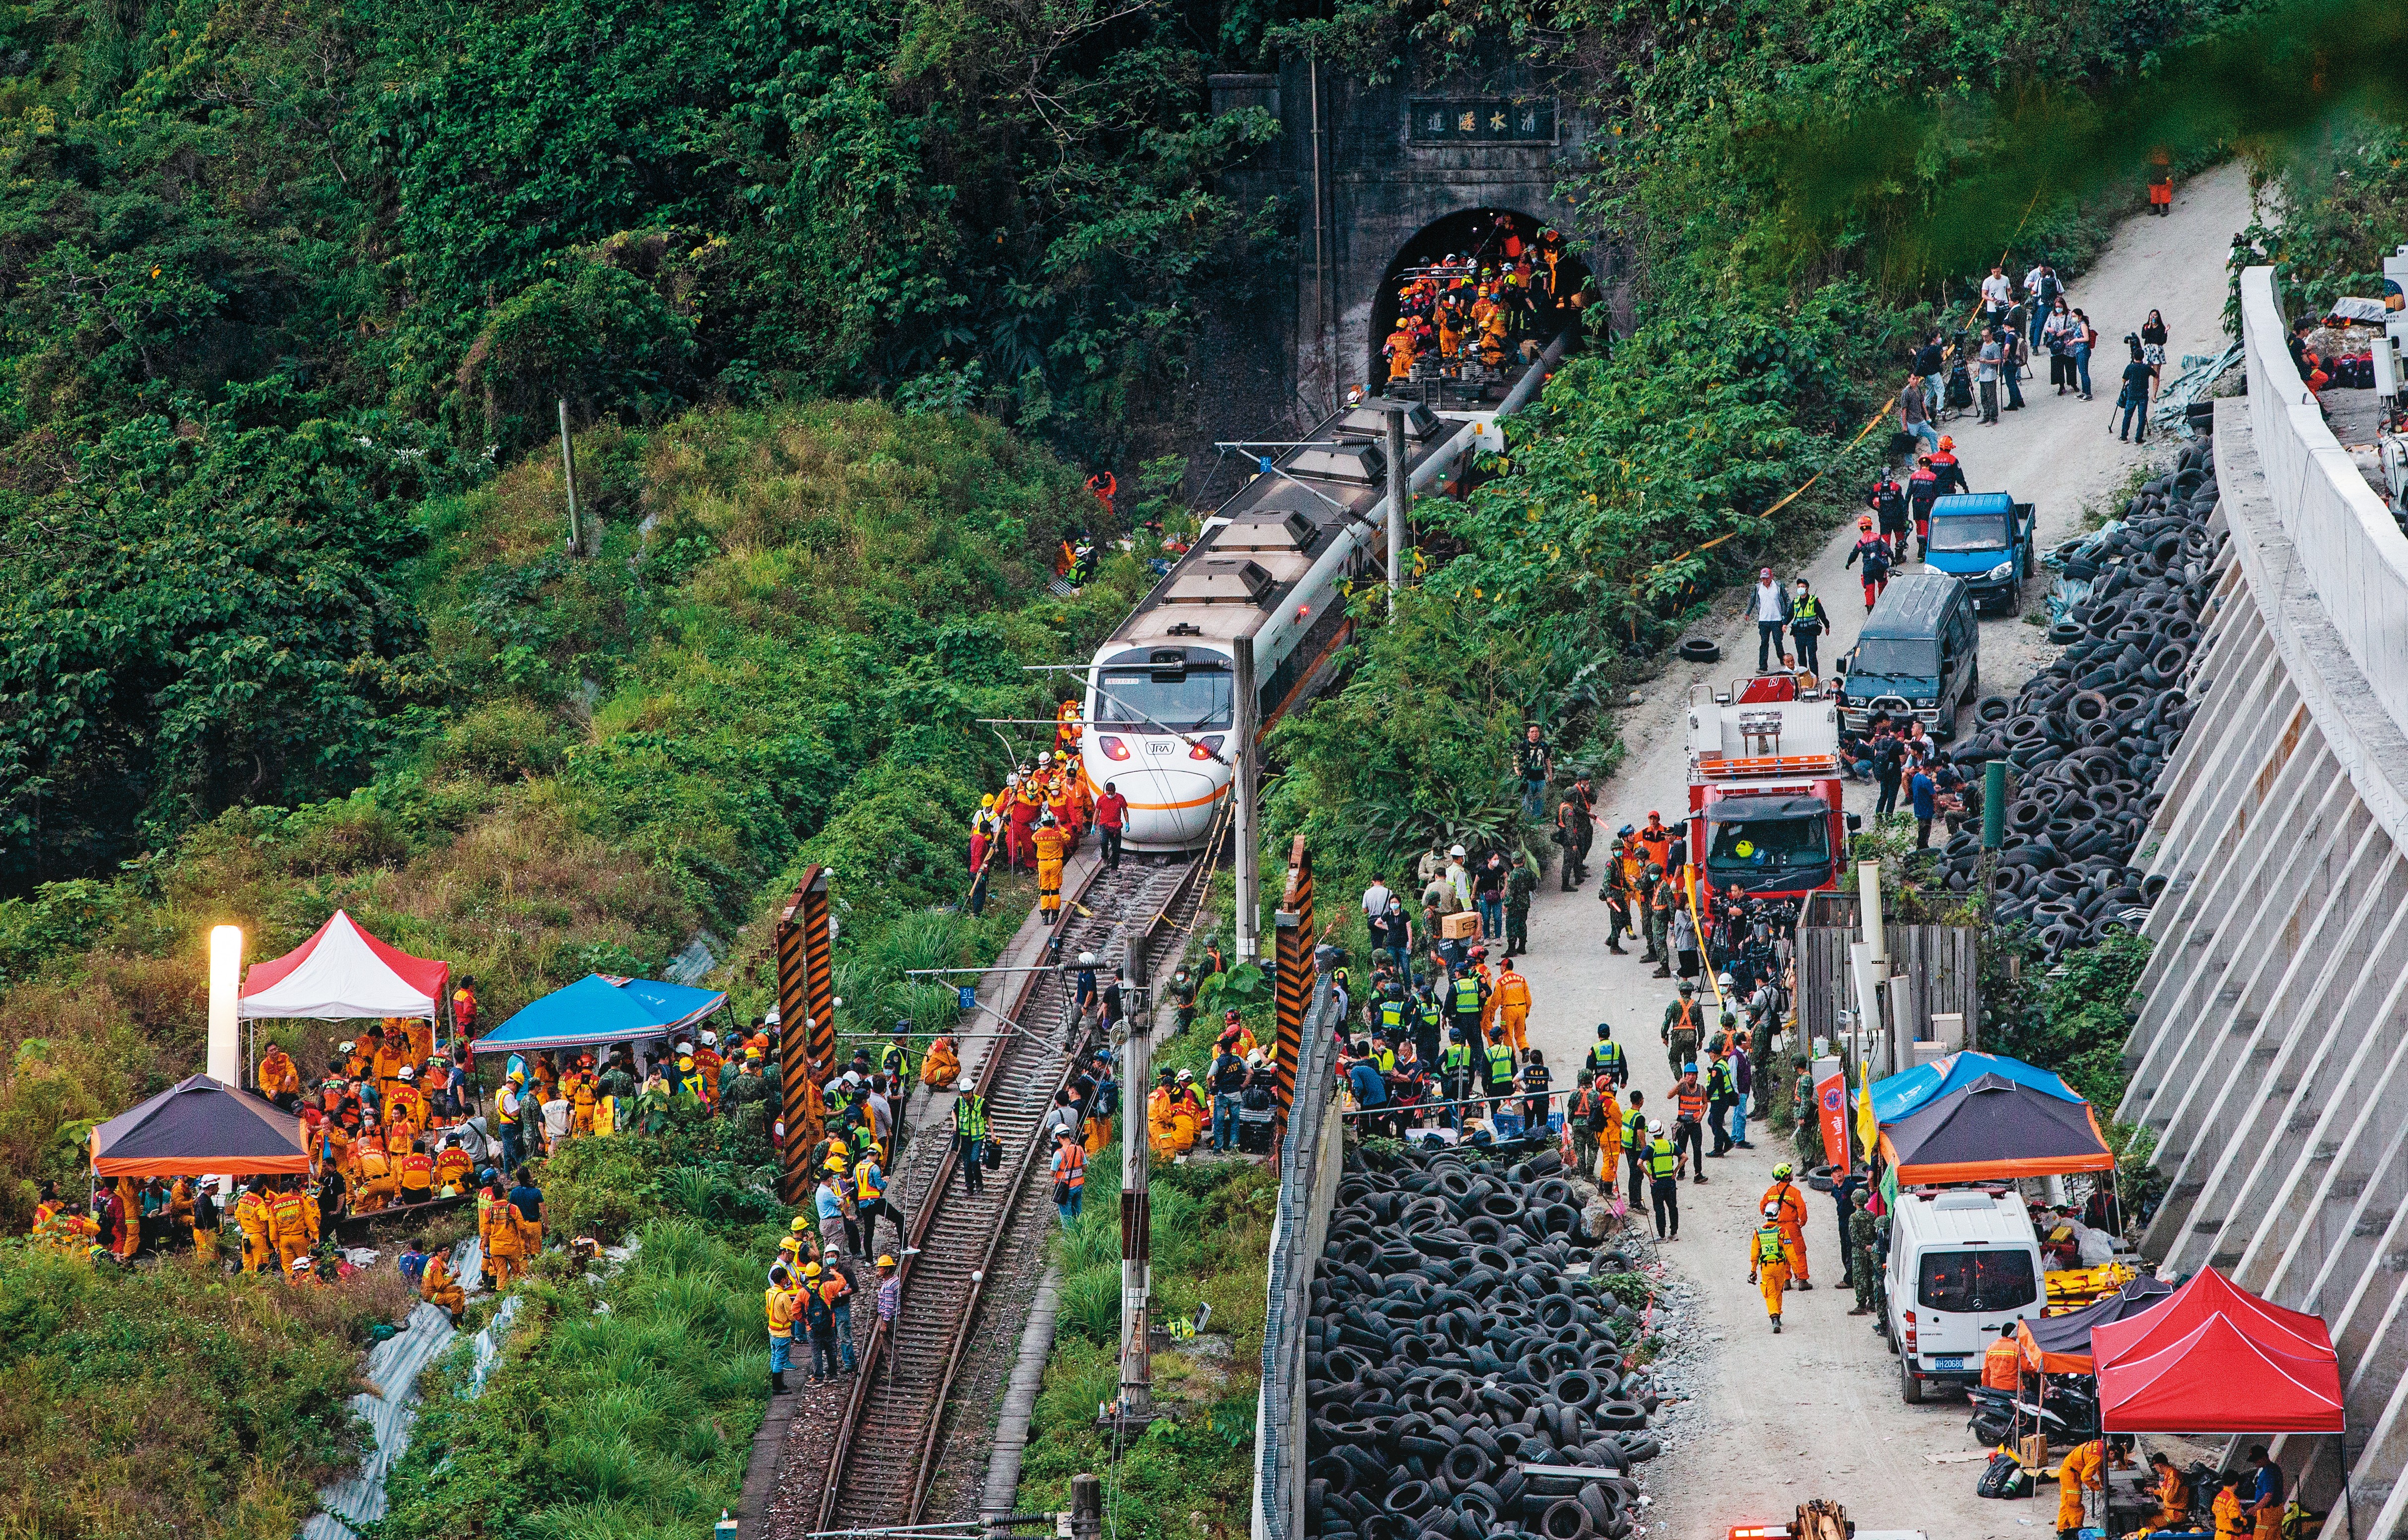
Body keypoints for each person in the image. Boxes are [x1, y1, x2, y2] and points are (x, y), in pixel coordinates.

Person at [1762, 1164, 1811, 1286]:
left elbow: (1763, 1207)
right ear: (1786, 1177)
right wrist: (1803, 1222)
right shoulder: (1794, 1192)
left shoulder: (1771, 1191)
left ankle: (1786, 1281)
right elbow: (1802, 1208)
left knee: (1782, 1253)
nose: (1792, 1175)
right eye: (1790, 1173)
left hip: (1777, 1228)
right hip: (1792, 1227)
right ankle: (1802, 1280)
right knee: (1799, 1252)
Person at [1748, 1201, 1790, 1332]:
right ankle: (1778, 1315)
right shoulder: (1782, 1232)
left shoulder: (1758, 1233)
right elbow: (1790, 1251)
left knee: (1770, 1293)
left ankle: (1775, 1319)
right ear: (1778, 1215)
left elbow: (1755, 1254)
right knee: (1778, 1291)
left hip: (1767, 1268)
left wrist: (1753, 1270)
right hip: (1780, 1267)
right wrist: (1797, 1270)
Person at [819, 1245, 859, 1374]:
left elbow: (855, 1287)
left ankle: (849, 1363)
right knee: (831, 1337)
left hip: (842, 1306)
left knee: (844, 1335)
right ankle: (833, 1365)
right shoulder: (824, 1272)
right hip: (829, 1309)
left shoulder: (845, 1270)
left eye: (833, 1256)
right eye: (828, 1256)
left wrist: (840, 1294)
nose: (830, 1258)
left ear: (838, 1256)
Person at [2057, 1438, 2107, 1540]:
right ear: (2113, 1453)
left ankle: (2062, 1531)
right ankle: (2078, 1530)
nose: (2113, 1462)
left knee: (2066, 1503)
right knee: (2075, 1504)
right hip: (2072, 1475)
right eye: (2114, 1460)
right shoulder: (2098, 1457)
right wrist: (2098, 1487)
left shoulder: (2102, 1447)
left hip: (2068, 1471)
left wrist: (2104, 1484)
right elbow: (2085, 1477)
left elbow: (2100, 1469)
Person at [1644, 1120, 1683, 1240]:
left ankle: (1662, 1236)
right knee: (1673, 1207)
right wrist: (1676, 1171)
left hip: (1657, 1183)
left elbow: (1640, 1163)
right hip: (1670, 1181)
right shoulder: (1670, 1145)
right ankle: (1674, 1234)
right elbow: (1684, 1157)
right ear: (1663, 1131)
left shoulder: (1651, 1147)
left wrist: (1649, 1176)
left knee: (1659, 1209)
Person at [801, 1265, 840, 1382]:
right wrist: (835, 1274)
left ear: (807, 1276)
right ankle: (832, 1375)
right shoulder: (827, 1287)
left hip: (813, 1327)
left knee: (816, 1352)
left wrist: (805, 1321)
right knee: (831, 1350)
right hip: (829, 1325)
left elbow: (795, 1310)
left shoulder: (803, 1292)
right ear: (820, 1274)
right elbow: (842, 1283)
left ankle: (818, 1378)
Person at [1845, 515, 1892, 611]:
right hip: (1879, 566)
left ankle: (1870, 610)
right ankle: (1883, 603)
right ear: (1871, 526)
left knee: (1869, 589)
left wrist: (1848, 564)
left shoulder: (1860, 542)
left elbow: (1854, 554)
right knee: (1883, 584)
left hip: (1868, 569)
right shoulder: (1878, 537)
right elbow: (1887, 549)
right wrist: (1893, 558)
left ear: (1861, 528)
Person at [1748, 568, 1789, 673]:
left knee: (1778, 641)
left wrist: (1787, 615)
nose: (1765, 581)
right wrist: (1748, 612)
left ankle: (1782, 658)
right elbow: (1753, 600)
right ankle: (1763, 667)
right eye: (1763, 579)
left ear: (1772, 577)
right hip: (1764, 620)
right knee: (1764, 642)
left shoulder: (1778, 586)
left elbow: (1787, 599)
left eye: (1767, 578)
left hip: (1777, 619)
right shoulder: (1758, 588)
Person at [2141, 1452, 2191, 1534]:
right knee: (2147, 1516)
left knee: (2149, 1522)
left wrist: (2161, 1493)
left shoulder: (2173, 1476)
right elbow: (2166, 1492)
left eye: (2156, 1467)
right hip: (2169, 1510)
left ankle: (2153, 1537)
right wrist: (2153, 1491)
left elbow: (2169, 1498)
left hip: (2176, 1514)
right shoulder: (2168, 1474)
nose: (2156, 1470)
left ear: (2160, 1465)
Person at [1661, 982, 1702, 1082]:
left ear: (1680, 992)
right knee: (1690, 1063)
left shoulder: (1674, 1004)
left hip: (1677, 1037)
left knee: (1674, 1060)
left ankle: (1681, 1081)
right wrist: (1700, 1039)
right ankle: (1690, 1082)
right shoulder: (1696, 1005)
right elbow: (1701, 1024)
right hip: (1691, 1037)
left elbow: (1667, 1021)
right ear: (1691, 992)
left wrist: (1664, 1035)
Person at [2116, 337, 2154, 442]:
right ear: (2143, 357)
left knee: (2128, 416)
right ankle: (2138, 438)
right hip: (2143, 395)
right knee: (2142, 417)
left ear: (2134, 357)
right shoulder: (2146, 368)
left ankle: (2124, 437)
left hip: (2132, 395)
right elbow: (2155, 375)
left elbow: (2124, 379)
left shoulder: (2130, 367)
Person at [1493, 956, 1532, 1058]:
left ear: (1504, 967)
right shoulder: (1521, 979)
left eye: (1501, 967)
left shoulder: (1500, 982)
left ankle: (1511, 1056)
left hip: (1508, 1010)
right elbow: (1528, 997)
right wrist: (1527, 1011)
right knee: (1521, 1032)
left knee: (1507, 1034)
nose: (1500, 969)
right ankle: (1525, 1049)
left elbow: (1496, 1000)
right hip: (1522, 1008)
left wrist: (1492, 1013)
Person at [1786, 579, 1827, 676]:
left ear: (1807, 589)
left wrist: (1827, 625)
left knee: (1812, 657)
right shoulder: (1795, 602)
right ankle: (1804, 679)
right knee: (1801, 658)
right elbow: (1790, 614)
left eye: (1802, 587)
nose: (1800, 589)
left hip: (1811, 633)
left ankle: (1815, 678)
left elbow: (1822, 614)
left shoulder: (1814, 601)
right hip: (1799, 634)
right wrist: (1784, 624)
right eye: (1799, 587)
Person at [1514, 724, 1551, 823]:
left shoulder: (1544, 745)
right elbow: (1516, 758)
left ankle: (1537, 818)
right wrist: (1518, 771)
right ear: (1528, 734)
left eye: (1536, 731)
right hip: (1528, 778)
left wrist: (1550, 775)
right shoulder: (1523, 745)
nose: (1535, 734)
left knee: (1540, 798)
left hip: (1541, 777)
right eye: (1532, 732)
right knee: (1527, 799)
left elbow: (1547, 761)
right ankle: (1526, 819)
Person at [1051, 1127, 1086, 1225]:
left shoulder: (1059, 1154)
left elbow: (1052, 1173)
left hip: (1065, 1189)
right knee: (1077, 1213)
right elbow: (1085, 1168)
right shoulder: (1079, 1149)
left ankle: (1069, 1233)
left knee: (1066, 1217)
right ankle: (1079, 1231)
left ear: (1058, 1137)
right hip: (1079, 1186)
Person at [2247, 1447, 2283, 1540]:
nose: (2255, 1463)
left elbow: (2268, 1496)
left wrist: (2255, 1508)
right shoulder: (2274, 1468)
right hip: (2276, 1510)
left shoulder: (2268, 1473)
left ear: (2264, 1458)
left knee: (2262, 1537)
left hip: (2268, 1513)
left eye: (2256, 1461)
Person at [1899, 373, 1939, 455]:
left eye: (1917, 379)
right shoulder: (1906, 392)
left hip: (1920, 420)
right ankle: (1910, 462)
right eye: (1913, 379)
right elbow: (1904, 409)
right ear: (1909, 380)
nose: (1916, 381)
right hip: (1911, 422)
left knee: (1933, 434)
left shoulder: (1918, 388)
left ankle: (1936, 455)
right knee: (1910, 444)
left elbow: (1922, 402)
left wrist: (1927, 415)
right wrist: (1905, 425)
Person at [1975, 329, 2002, 424]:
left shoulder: (1995, 346)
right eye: (1983, 336)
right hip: (1983, 374)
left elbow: (1998, 360)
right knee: (1984, 397)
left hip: (1990, 374)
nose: (1984, 338)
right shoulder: (1984, 344)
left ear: (1991, 335)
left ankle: (1993, 417)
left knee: (1991, 397)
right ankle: (1986, 416)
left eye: (1986, 336)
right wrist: (1979, 368)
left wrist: (1987, 362)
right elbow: (1982, 357)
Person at [1909, 760, 1937, 848]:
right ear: (1928, 768)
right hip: (1926, 808)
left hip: (1918, 807)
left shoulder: (1916, 777)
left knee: (1921, 829)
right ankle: (1923, 849)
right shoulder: (1926, 781)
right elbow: (1934, 796)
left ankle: (1921, 847)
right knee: (1925, 831)